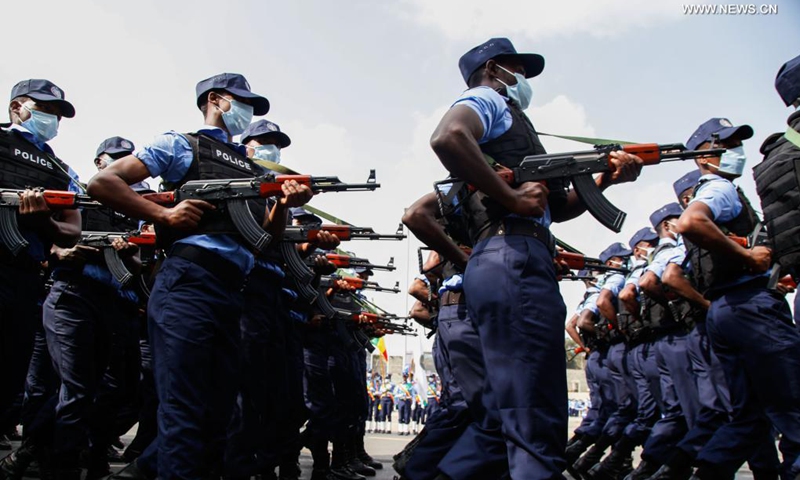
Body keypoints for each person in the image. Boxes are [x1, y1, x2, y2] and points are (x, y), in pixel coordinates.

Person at [429, 37, 643, 479]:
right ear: (494, 70)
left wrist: (603, 179)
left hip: (507, 256)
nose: (524, 80)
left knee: (499, 421)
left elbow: (555, 209)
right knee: (534, 421)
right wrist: (508, 194)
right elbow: (448, 135)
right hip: (514, 256)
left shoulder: (515, 127)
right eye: (518, 70)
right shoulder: (488, 99)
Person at [87, 72, 285, 479]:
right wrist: (163, 214)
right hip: (188, 283)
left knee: (219, 416)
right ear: (216, 100)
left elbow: (264, 239)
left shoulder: (250, 167)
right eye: (242, 101)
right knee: (184, 412)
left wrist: (284, 203)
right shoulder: (180, 144)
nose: (247, 112)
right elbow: (103, 182)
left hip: (232, 293)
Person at [675, 118, 800, 479]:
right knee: (793, 409)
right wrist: (747, 258)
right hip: (751, 309)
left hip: (726, 312)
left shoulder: (714, 190)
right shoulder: (720, 189)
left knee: (747, 420)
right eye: (726, 145)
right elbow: (690, 223)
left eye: (736, 144)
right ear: (703, 156)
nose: (735, 152)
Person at [0, 78, 82, 480]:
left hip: (23, 275)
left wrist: (41, 220)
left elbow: (72, 230)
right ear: (18, 107)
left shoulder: (57, 169)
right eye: (44, 109)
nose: (52, 120)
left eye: (57, 114)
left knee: (9, 376)